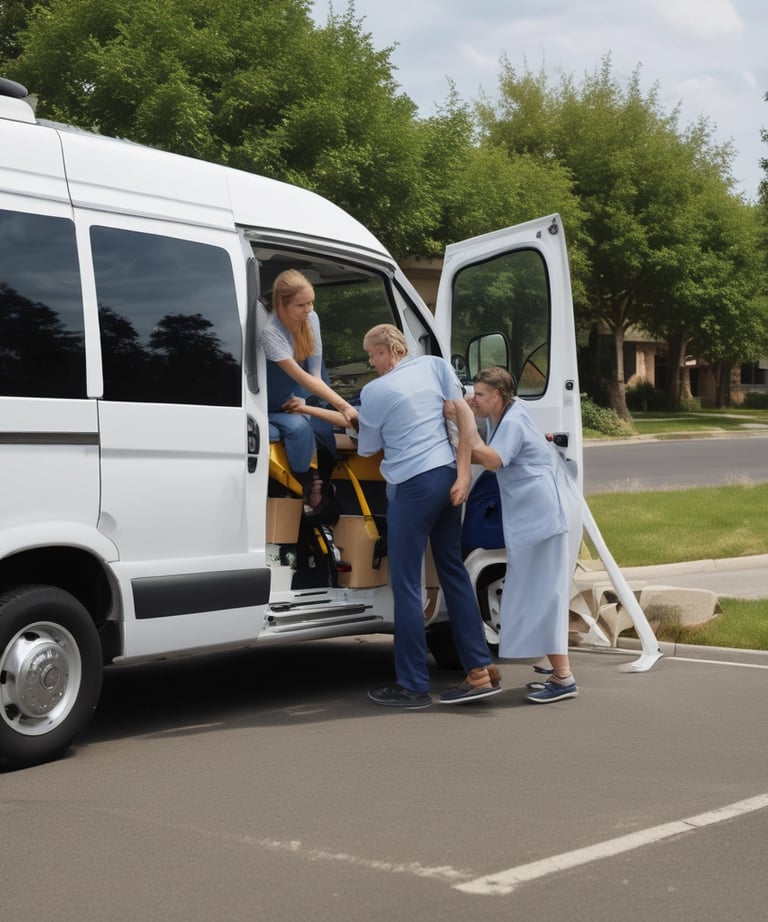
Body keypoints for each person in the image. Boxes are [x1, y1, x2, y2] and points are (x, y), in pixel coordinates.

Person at [354, 324, 502, 709]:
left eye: (373, 355)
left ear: (388, 349)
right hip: (447, 475)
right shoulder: (436, 366)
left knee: (405, 583)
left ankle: (413, 684)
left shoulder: (375, 392)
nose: (371, 363)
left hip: (412, 486)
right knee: (452, 571)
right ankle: (479, 669)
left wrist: (355, 417)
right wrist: (464, 472)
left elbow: (368, 448)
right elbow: (463, 419)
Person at [448, 366, 583, 703]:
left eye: (480, 394)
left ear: (497, 395)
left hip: (541, 517)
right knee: (533, 592)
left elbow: (493, 460)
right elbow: (466, 406)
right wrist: (459, 407)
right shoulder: (510, 409)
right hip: (536, 516)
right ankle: (557, 673)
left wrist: (462, 436)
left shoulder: (512, 422)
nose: (474, 399)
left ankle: (564, 678)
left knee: (543, 594)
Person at [258, 269, 357, 506]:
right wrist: (345, 408)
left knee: (304, 428)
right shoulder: (270, 332)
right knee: (295, 428)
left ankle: (310, 486)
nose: (308, 309)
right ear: (282, 304)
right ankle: (298, 489)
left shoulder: (311, 319)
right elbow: (302, 377)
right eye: (301, 305)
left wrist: (307, 403)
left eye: (311, 302)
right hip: (264, 403)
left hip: (291, 398)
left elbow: (315, 375)